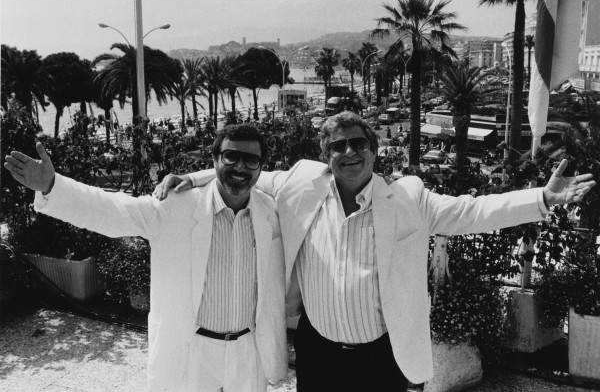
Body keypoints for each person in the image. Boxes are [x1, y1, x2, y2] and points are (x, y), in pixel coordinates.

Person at [154, 111, 596, 392]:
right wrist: (192, 180)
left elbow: (472, 211)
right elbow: (242, 171)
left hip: (382, 356)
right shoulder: (299, 185)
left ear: (373, 151)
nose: (348, 152)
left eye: (357, 143)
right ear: (326, 156)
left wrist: (541, 198)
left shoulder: (408, 198)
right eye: (337, 146)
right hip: (319, 352)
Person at [4, 125, 287, 392]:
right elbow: (113, 210)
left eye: (251, 160)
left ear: (261, 166)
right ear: (214, 160)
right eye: (230, 156)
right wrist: (53, 185)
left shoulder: (270, 212)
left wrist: (193, 175)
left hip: (248, 355)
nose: (240, 166)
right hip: (193, 353)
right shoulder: (176, 206)